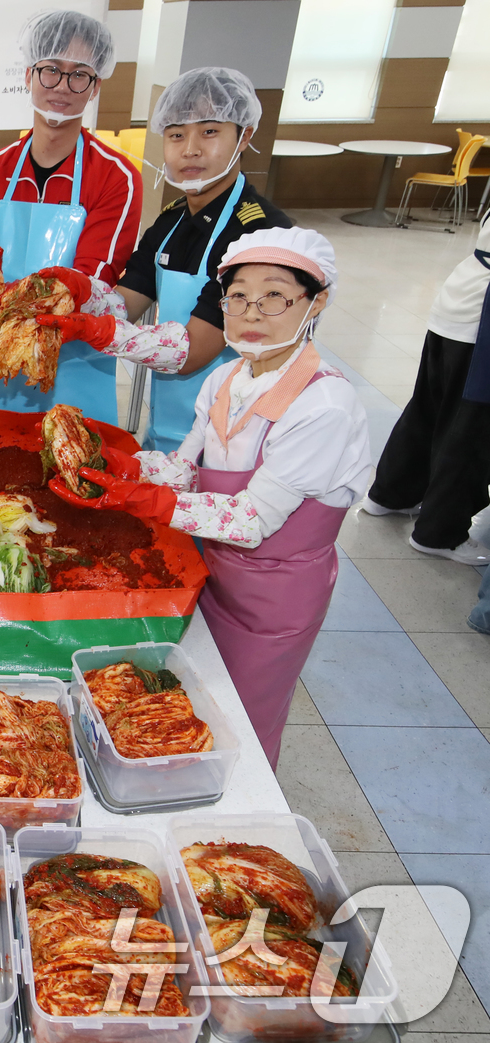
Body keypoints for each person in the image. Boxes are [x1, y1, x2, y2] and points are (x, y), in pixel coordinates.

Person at [49, 228, 371, 767]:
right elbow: (185, 470)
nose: (251, 311)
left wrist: (140, 500)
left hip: (277, 595)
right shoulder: (226, 378)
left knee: (240, 718)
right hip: (215, 571)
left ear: (316, 301)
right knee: (189, 705)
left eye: (274, 295)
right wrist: (114, 461)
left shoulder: (324, 406)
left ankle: (243, 811)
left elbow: (250, 520)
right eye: (238, 295)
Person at [37, 67, 291, 452]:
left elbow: (192, 350)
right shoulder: (172, 221)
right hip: (168, 431)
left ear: (244, 136)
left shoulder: (261, 234)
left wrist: (96, 330)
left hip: (234, 444)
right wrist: (81, 291)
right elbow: (125, 302)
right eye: (176, 135)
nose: (190, 149)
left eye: (209, 131)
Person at [0, 9, 140, 420]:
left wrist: (7, 298)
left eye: (80, 74)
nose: (63, 86)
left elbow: (94, 283)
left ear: (95, 88)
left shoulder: (116, 178)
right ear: (28, 75)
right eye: (51, 70)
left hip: (76, 365)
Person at [361, 210, 490, 566]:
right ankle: (440, 533)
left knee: (429, 409)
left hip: (458, 303)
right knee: (470, 430)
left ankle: (391, 494)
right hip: (481, 320)